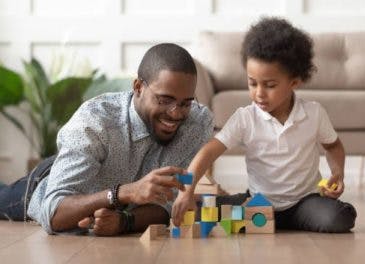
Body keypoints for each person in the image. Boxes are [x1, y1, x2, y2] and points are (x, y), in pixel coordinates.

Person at [0, 43, 213, 236]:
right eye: (165, 100)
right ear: (138, 87)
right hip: (51, 185)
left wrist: (125, 221)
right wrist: (124, 193)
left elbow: (169, 204)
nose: (176, 114)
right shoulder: (95, 121)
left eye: (185, 103)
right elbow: (53, 212)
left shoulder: (197, 124)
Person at [172, 17, 357, 233]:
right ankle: (254, 215)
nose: (259, 93)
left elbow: (333, 146)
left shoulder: (314, 113)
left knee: (340, 218)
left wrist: (338, 173)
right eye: (252, 83)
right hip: (259, 201)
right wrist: (186, 192)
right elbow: (208, 152)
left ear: (294, 82)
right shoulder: (245, 118)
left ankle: (272, 221)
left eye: (269, 85)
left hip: (305, 203)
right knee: (202, 209)